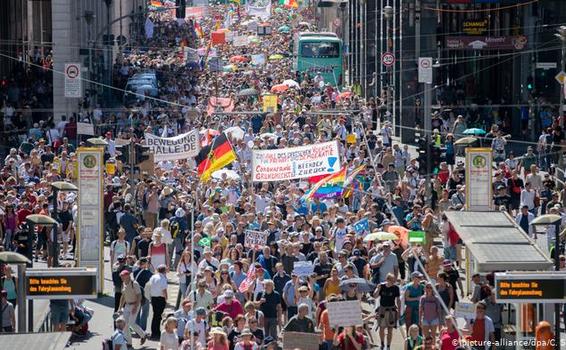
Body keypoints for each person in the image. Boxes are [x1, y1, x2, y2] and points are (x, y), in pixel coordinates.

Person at [117, 269, 147, 346]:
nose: (122, 278)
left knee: (131, 323)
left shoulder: (135, 284)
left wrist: (135, 307)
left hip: (135, 304)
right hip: (127, 305)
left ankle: (143, 335)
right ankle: (129, 342)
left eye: (123, 276)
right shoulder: (123, 284)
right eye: (121, 276)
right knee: (125, 324)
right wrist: (120, 307)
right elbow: (123, 296)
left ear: (128, 276)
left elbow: (139, 296)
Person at [372, 273, 400, 350]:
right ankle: (382, 344)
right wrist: (378, 288)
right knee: (381, 328)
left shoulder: (396, 288)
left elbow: (398, 300)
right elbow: (375, 296)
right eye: (392, 280)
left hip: (392, 310)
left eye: (394, 280)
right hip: (382, 309)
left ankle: (388, 346)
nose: (394, 282)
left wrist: (399, 312)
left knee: (390, 330)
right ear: (387, 280)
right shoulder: (382, 286)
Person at [149, 264, 168, 339]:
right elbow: (164, 290)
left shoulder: (153, 277)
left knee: (155, 315)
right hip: (160, 298)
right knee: (158, 316)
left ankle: (154, 332)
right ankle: (156, 332)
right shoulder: (163, 278)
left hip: (153, 298)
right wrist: (166, 298)